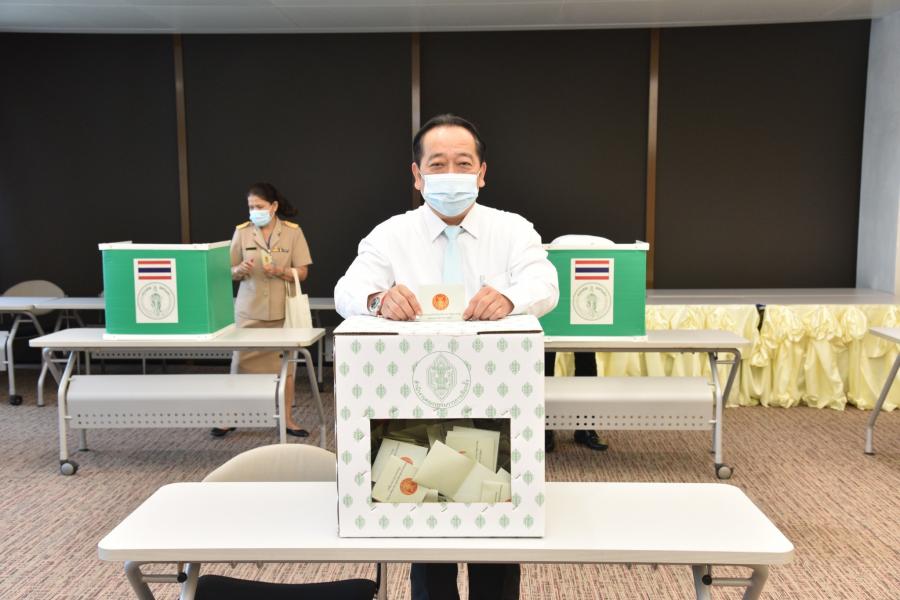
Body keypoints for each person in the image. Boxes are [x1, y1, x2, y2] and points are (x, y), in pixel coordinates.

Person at [335, 114, 559, 600]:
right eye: (438, 165)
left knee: (496, 536)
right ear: (417, 176)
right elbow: (346, 290)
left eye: (463, 163)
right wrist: (377, 299)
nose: (451, 174)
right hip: (412, 406)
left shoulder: (511, 229)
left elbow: (545, 284)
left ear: (482, 173)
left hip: (497, 406)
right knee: (426, 535)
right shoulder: (391, 234)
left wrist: (510, 297)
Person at [212, 182, 312, 438]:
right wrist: (239, 270)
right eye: (251, 207)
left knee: (287, 368)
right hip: (249, 310)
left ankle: (287, 419)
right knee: (239, 363)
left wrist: (279, 271)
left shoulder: (292, 232)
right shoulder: (242, 232)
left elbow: (303, 272)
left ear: (274, 206)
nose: (254, 211)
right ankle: (229, 417)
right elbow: (227, 271)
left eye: (259, 206)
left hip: (282, 311)